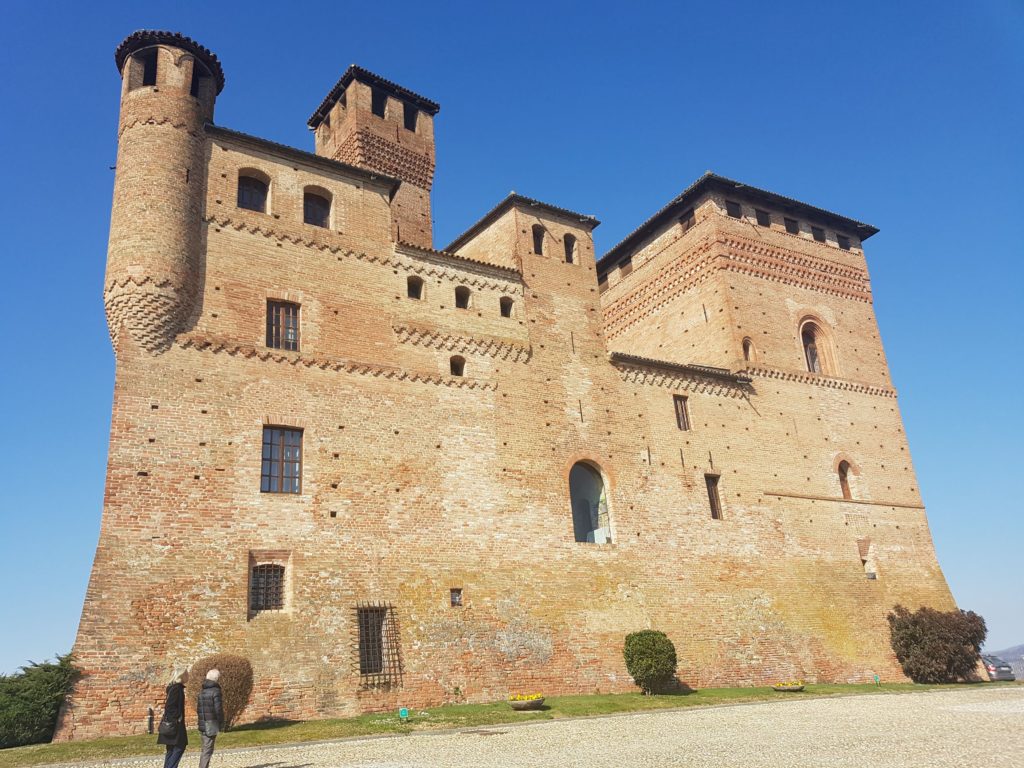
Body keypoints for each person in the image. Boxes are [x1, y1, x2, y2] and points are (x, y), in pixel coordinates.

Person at [157, 668, 188, 768]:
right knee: (179, 748)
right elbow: (170, 707)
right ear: (181, 676)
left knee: (171, 750)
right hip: (175, 726)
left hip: (173, 725)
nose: (188, 676)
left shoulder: (174, 688)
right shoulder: (176, 689)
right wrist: (177, 718)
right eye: (187, 674)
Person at [196, 668, 224, 768]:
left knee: (205, 749)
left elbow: (198, 710)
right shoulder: (216, 691)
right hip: (210, 725)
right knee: (207, 750)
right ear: (216, 679)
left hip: (203, 724)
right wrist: (221, 723)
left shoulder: (201, 692)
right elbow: (218, 710)